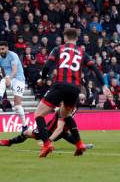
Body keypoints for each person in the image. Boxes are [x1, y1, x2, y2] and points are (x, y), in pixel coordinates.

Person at [35, 28, 111, 158]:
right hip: (75, 88)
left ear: (65, 37)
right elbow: (95, 69)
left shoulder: (58, 49)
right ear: (77, 38)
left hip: (60, 85)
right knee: (66, 115)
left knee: (39, 114)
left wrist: (42, 78)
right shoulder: (82, 53)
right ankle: (79, 144)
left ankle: (47, 144)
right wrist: (104, 85)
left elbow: (47, 65)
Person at [0, 106, 94, 152]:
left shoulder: (64, 111)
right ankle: (81, 145)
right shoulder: (69, 108)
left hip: (48, 132)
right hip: (51, 130)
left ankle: (9, 142)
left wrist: (47, 141)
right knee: (65, 134)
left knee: (26, 133)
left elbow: (59, 129)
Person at [0, 41, 27, 132]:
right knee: (2, 80)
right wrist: (6, 79)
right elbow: (2, 70)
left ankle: (24, 126)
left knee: (17, 105)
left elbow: (14, 70)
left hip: (19, 80)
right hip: (9, 79)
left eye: (2, 49)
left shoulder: (13, 56)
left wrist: (9, 78)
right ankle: (0, 97)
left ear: (7, 48)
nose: (1, 51)